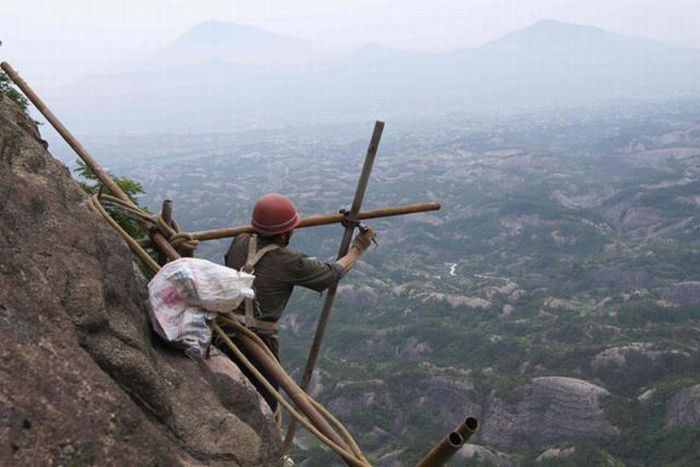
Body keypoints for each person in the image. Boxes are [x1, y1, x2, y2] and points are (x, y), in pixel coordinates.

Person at [214, 193, 375, 411]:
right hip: (256, 343)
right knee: (266, 405)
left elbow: (259, 233)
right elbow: (332, 273)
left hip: (222, 333)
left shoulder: (239, 240)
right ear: (283, 234)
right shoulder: (289, 261)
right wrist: (357, 248)